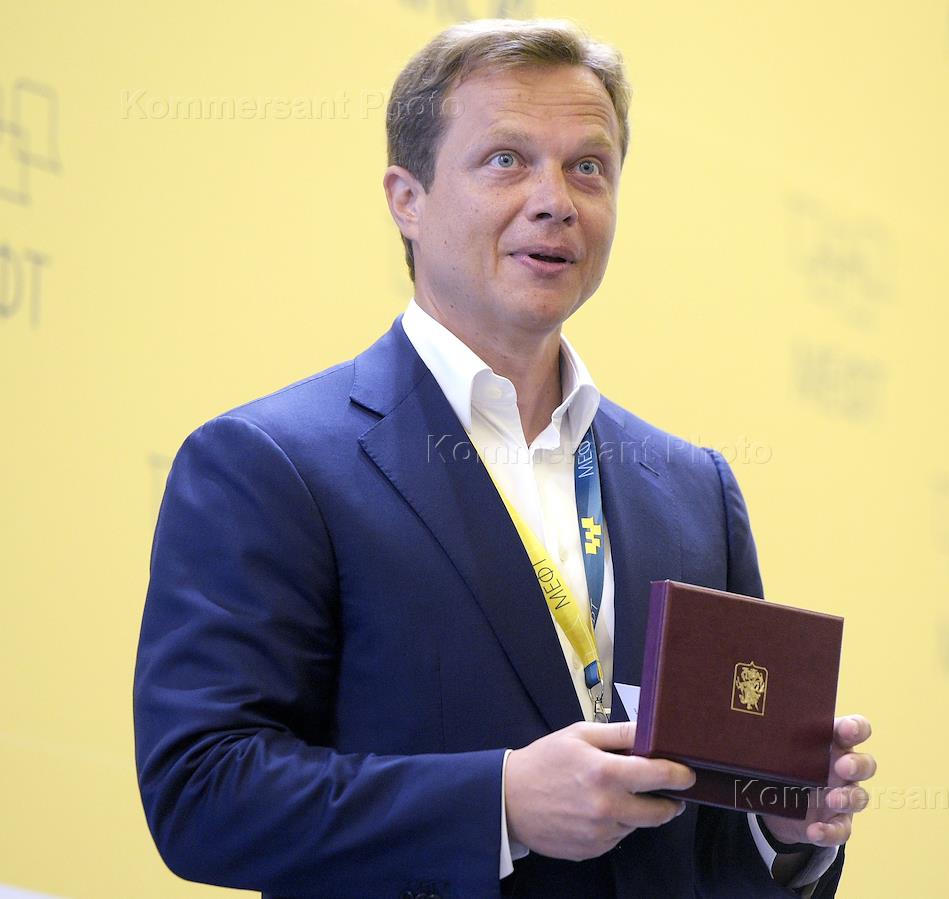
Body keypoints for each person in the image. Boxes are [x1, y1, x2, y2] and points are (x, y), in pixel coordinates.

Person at [133, 18, 875, 899]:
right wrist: (500, 803)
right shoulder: (273, 464)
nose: (556, 200)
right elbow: (203, 791)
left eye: (588, 167)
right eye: (506, 160)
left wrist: (780, 828)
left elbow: (710, 840)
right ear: (407, 198)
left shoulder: (692, 490)